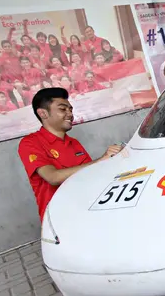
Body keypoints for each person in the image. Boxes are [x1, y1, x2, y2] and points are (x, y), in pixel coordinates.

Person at [18, 87, 122, 220]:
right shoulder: (30, 143)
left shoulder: (74, 143)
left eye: (70, 109)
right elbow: (53, 177)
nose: (70, 114)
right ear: (43, 113)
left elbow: (91, 175)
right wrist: (101, 160)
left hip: (87, 213)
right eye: (62, 109)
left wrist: (114, 161)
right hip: (59, 220)